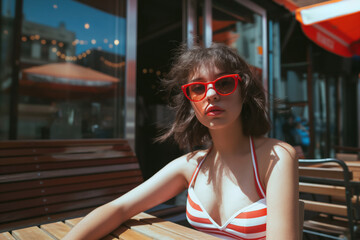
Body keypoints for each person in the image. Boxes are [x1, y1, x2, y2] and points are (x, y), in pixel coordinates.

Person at [63, 43, 299, 240]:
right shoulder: (190, 166)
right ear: (191, 103)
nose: (211, 94)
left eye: (224, 83)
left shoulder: (276, 156)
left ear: (244, 91)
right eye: (197, 88)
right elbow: (118, 208)